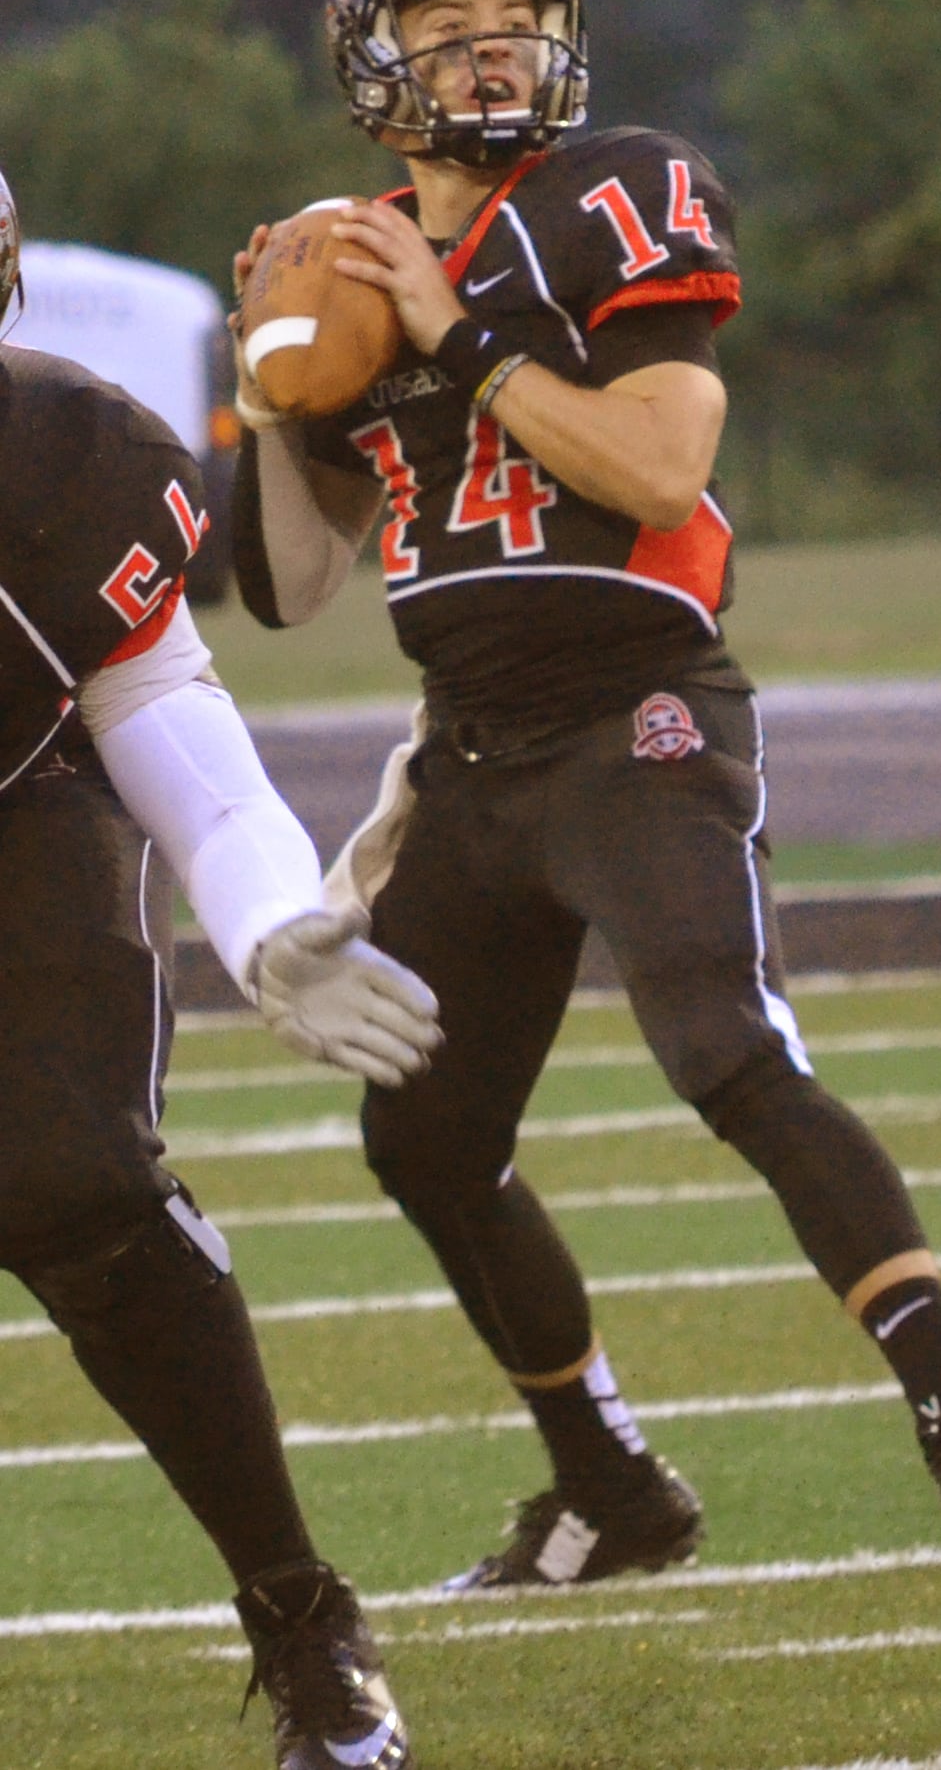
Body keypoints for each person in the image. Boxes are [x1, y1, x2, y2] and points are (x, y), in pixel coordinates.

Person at [230, 0, 941, 1594]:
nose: (487, 63)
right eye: (443, 38)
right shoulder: (356, 262)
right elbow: (291, 589)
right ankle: (609, 1483)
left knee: (726, 1053)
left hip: (634, 718)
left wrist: (455, 339)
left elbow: (658, 469)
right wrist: (271, 387)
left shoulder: (610, 197)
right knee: (426, 1143)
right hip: (469, 753)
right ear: (368, 65)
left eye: (510, 27)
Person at [0, 168, 430, 1770]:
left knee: (75, 1193)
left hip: (13, 822)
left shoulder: (66, 462)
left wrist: (262, 922)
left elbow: (177, 739)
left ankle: (304, 1621)